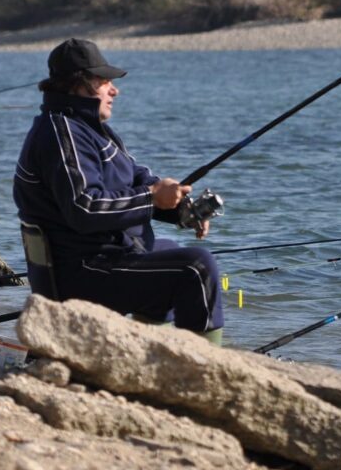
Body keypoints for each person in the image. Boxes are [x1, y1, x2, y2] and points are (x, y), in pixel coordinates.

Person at [13, 38, 224, 344]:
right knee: (197, 267)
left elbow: (135, 176)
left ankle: (153, 358)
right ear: (80, 84)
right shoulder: (63, 134)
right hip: (83, 272)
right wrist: (153, 199)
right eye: (105, 82)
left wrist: (180, 208)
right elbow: (85, 208)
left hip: (103, 258)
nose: (115, 91)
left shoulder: (84, 127)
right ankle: (207, 373)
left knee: (165, 249)